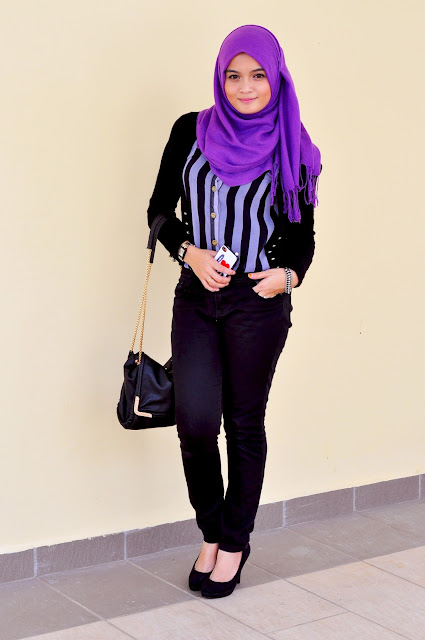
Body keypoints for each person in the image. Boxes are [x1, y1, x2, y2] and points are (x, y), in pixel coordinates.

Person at [147, 24, 322, 599]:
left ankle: (234, 542)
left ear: (276, 79)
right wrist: (189, 252)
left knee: (244, 423)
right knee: (196, 423)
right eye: (234, 75)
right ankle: (211, 530)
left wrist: (286, 277)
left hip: (256, 303)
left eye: (258, 75)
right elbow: (158, 211)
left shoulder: (290, 145)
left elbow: (301, 238)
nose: (246, 87)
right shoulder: (189, 131)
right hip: (197, 297)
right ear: (220, 79)